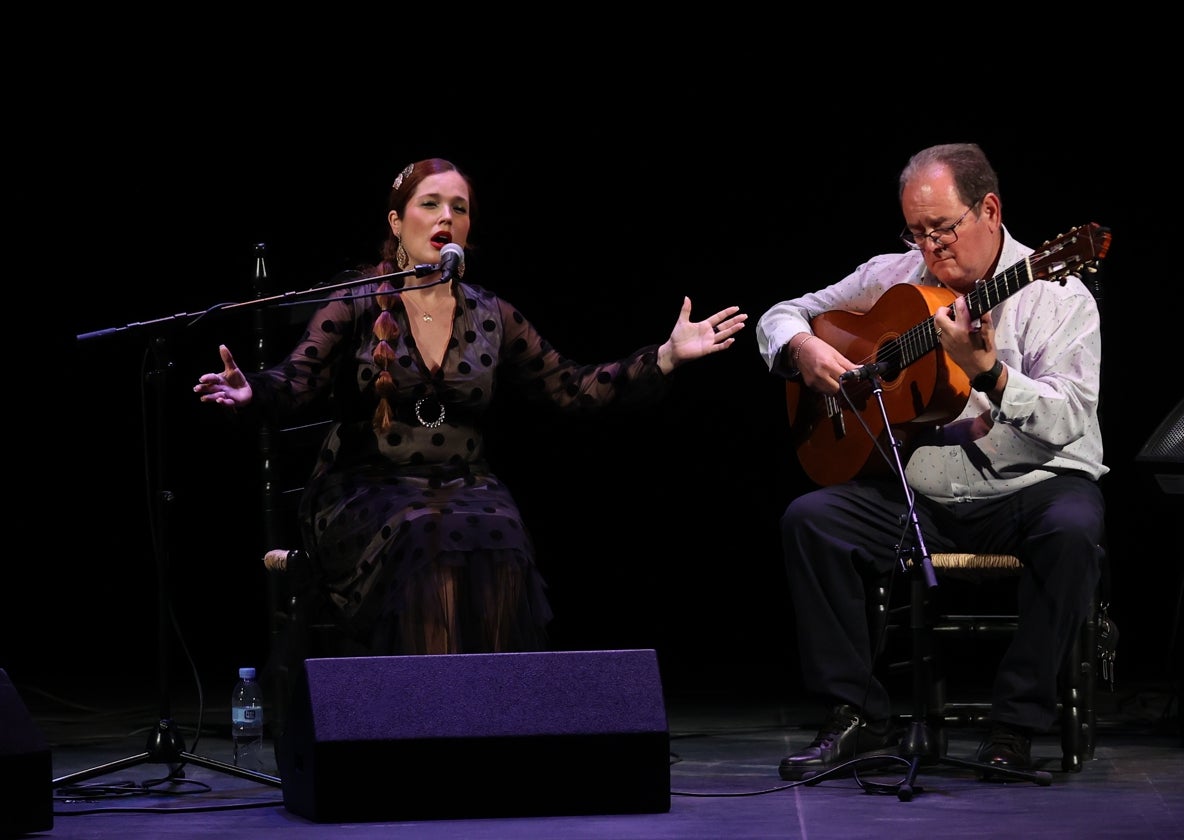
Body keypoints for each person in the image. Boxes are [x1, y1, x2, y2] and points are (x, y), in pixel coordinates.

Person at [195, 156, 747, 658]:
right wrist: (252, 392)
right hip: (366, 486)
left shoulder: (490, 314)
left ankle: (493, 724)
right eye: (430, 204)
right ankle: (432, 716)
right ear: (396, 224)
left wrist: (667, 357)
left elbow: (572, 388)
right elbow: (298, 378)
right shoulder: (358, 302)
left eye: (458, 208)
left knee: (500, 538)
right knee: (425, 536)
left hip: (463, 483)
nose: (446, 217)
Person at [756, 143, 1106, 780]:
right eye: (915, 231)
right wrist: (803, 348)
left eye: (941, 229)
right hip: (924, 494)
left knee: (1076, 529)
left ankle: (1017, 724)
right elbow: (780, 316)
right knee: (811, 520)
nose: (928, 248)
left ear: (989, 210)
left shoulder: (1060, 292)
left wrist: (991, 375)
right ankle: (857, 714)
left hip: (1030, 489)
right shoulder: (893, 274)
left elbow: (1070, 419)